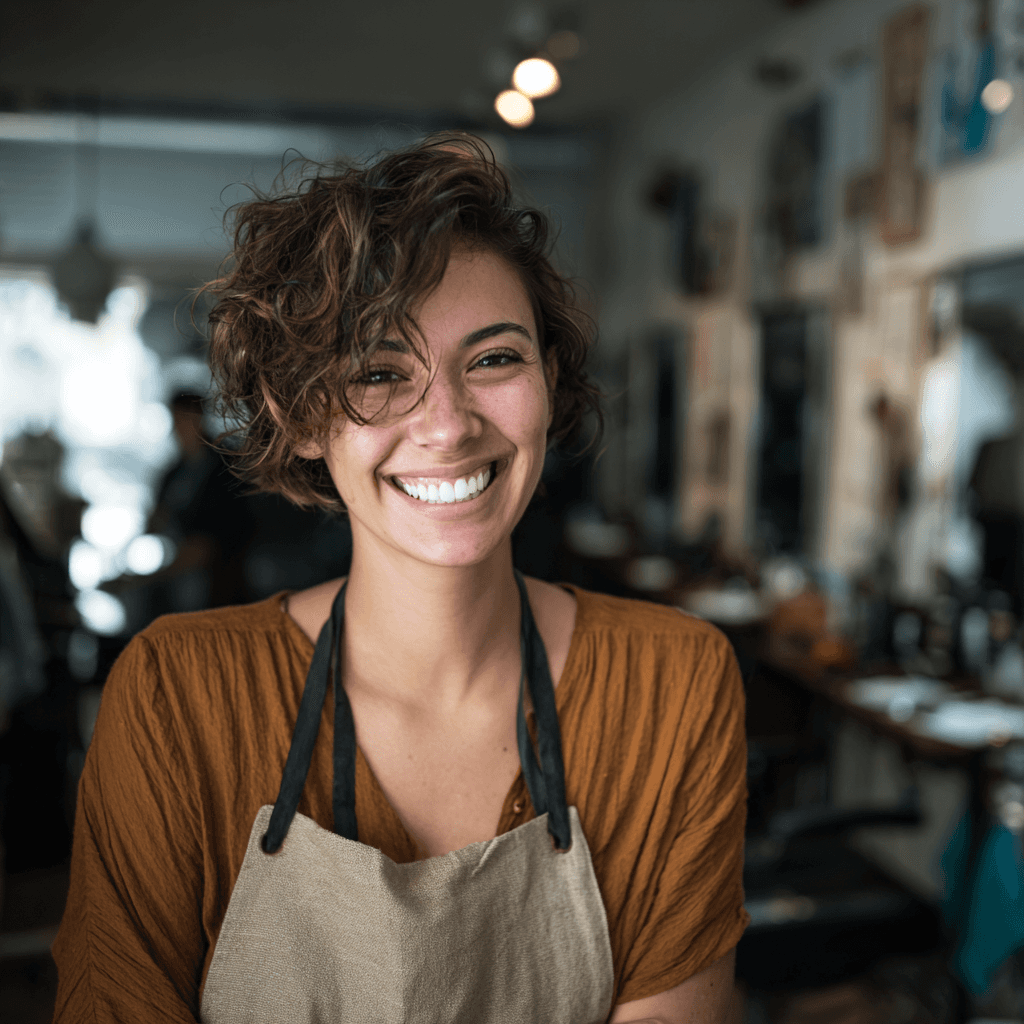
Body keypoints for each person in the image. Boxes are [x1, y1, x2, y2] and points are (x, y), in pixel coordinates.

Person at [52, 134, 748, 1023]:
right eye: (381, 373)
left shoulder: (672, 684)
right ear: (299, 416)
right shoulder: (177, 697)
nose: (448, 425)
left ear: (549, 381)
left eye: (495, 359)